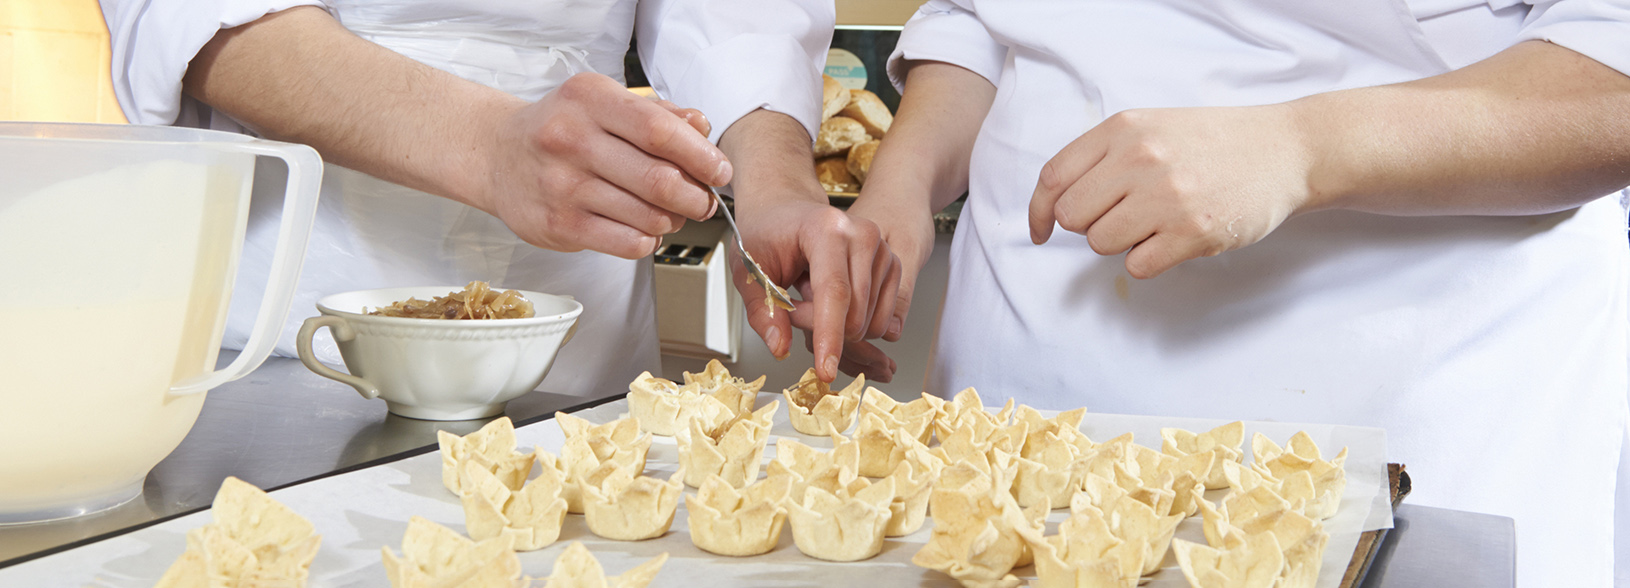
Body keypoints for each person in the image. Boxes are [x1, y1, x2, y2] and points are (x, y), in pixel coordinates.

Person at [845, 0, 1630, 585]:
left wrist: (1299, 148)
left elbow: (1611, 84)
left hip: (1398, 381)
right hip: (1028, 384)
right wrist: (903, 180)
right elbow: (982, 18)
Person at [100, 0, 900, 396]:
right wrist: (487, 148)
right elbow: (191, 19)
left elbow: (734, 16)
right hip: (292, 312)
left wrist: (775, 182)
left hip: (580, 322)